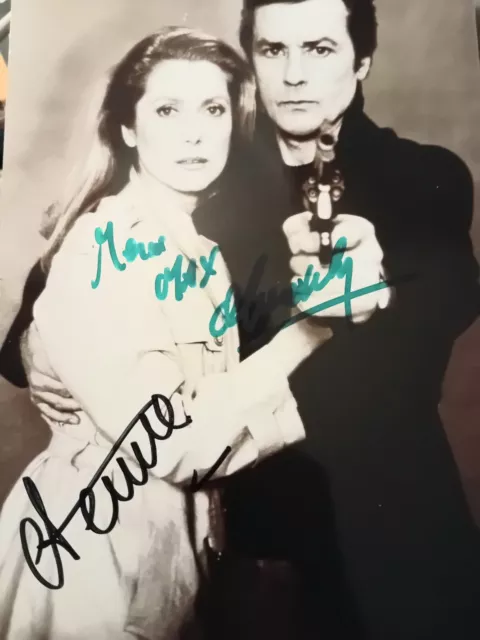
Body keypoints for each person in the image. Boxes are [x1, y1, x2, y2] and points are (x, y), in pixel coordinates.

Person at [2, 0, 479, 638]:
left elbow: (428, 328)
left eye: (320, 49)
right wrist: (40, 343)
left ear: (362, 60)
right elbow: (31, 329)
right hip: (235, 551)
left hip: (388, 538)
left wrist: (373, 291)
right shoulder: (200, 164)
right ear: (251, 60)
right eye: (273, 51)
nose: (295, 75)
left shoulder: (425, 178)